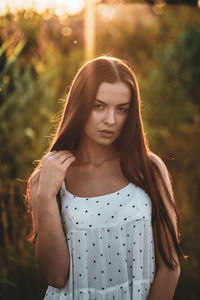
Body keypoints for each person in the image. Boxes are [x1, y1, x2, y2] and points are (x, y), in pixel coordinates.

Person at [26, 55, 185, 300]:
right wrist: (46, 196)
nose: (110, 120)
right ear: (80, 105)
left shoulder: (150, 169)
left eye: (121, 109)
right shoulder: (48, 178)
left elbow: (170, 263)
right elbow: (55, 276)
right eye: (98, 106)